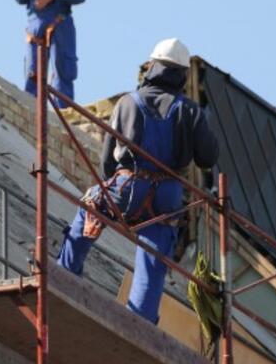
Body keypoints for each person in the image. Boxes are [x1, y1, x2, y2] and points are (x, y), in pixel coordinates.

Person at [56, 38, 220, 324]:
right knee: (153, 261)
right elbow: (207, 158)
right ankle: (140, 322)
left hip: (128, 186)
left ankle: (64, 276)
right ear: (182, 73)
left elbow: (108, 161)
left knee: (90, 207)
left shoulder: (128, 102)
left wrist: (111, 189)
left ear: (152, 66)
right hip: (166, 197)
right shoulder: (190, 110)